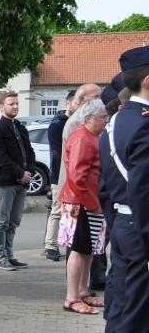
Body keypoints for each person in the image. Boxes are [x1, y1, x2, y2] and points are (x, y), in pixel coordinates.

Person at [103, 45, 149, 333]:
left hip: (125, 227)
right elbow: (145, 192)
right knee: (130, 319)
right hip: (140, 231)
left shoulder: (118, 120)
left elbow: (108, 187)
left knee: (121, 314)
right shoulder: (143, 123)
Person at [59, 99, 108, 315]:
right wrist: (93, 204)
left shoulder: (90, 137)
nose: (106, 121)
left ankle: (81, 290)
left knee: (89, 250)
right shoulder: (82, 139)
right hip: (81, 203)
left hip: (89, 202)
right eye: (102, 117)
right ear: (88, 118)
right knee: (79, 251)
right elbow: (77, 177)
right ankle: (71, 297)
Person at [0, 91, 36, 271]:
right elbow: (0, 156)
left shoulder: (21, 127)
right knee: (2, 220)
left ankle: (9, 254)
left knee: (14, 221)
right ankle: (1, 257)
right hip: (5, 182)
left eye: (16, 103)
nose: (15, 106)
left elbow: (29, 152)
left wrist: (28, 171)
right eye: (11, 104)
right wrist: (19, 173)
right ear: (2, 107)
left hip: (21, 182)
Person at [44, 90, 78, 260]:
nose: (79, 107)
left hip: (74, 174)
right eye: (76, 103)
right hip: (60, 174)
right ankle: (50, 245)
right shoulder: (58, 124)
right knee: (57, 210)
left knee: (69, 211)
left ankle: (65, 241)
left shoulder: (77, 122)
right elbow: (59, 152)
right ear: (68, 103)